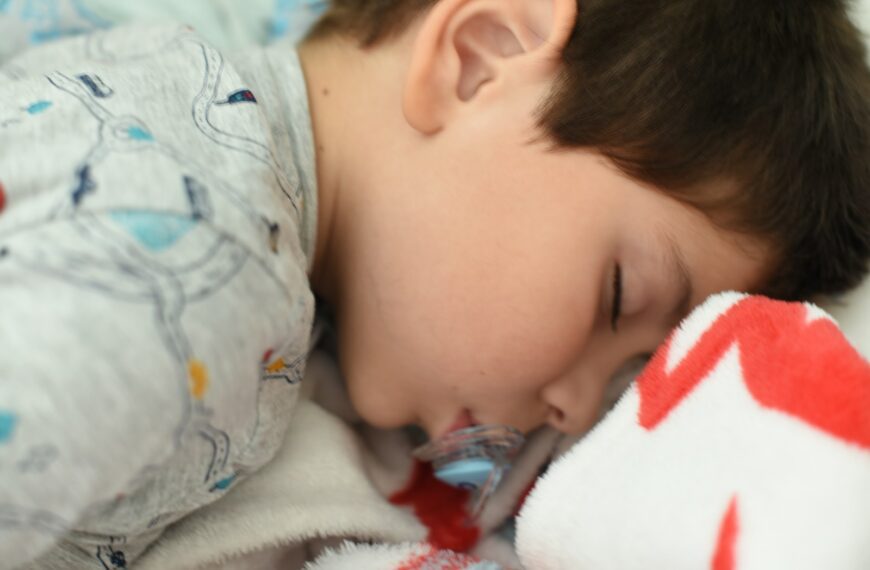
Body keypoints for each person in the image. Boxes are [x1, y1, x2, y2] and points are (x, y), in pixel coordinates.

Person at [1, 0, 868, 567]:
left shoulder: (129, 57)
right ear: (481, 56)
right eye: (617, 299)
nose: (576, 411)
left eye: (624, 373)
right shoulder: (203, 286)